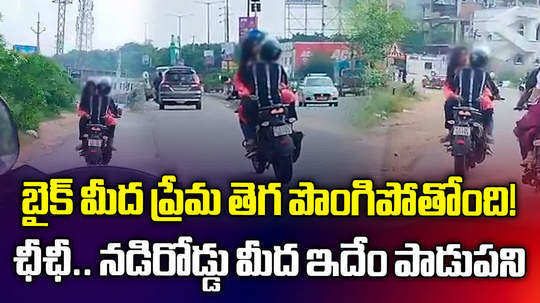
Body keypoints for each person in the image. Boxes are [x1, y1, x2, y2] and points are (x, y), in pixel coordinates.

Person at [234, 32, 297, 158]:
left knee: (243, 116)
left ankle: (251, 141)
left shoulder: (250, 68)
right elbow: (284, 84)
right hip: (278, 103)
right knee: (288, 107)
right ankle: (290, 125)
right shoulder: (279, 68)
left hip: (260, 105)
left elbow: (242, 86)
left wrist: (239, 93)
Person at [451, 49, 500, 143]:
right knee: (489, 112)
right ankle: (487, 134)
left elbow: (454, 86)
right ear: (483, 62)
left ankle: (450, 131)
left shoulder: (460, 71)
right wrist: (496, 95)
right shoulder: (484, 74)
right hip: (476, 105)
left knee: (449, 107)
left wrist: (456, 96)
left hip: (460, 104)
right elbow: (493, 88)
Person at [77, 78, 121, 151]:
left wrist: (114, 114)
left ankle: (84, 142)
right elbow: (113, 110)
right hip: (96, 119)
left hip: (97, 119)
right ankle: (109, 144)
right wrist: (115, 114)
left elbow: (113, 110)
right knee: (83, 119)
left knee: (112, 123)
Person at [514, 63, 540, 167]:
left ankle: (528, 154)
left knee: (522, 128)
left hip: (536, 109)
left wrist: (521, 104)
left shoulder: (536, 73)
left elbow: (530, 91)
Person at [76, 80, 97, 150]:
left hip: (99, 118)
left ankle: (109, 143)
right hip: (88, 118)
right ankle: (83, 143)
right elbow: (80, 110)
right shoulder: (84, 98)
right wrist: (86, 114)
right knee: (82, 120)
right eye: (89, 88)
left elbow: (108, 108)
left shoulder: (100, 98)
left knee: (111, 124)